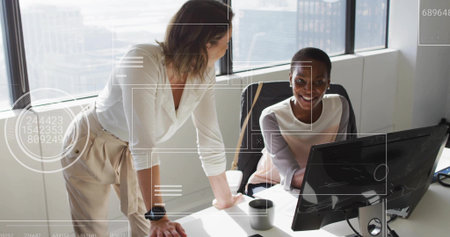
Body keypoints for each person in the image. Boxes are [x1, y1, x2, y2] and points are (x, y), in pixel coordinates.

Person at [61, 1, 241, 236]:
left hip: (133, 152)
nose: (227, 48)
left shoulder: (204, 73)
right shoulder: (142, 60)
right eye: (226, 42)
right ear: (205, 42)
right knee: (93, 232)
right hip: (91, 145)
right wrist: (159, 217)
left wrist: (225, 199)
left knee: (150, 231)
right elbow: (144, 144)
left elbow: (209, 137)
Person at [246, 47, 351, 196]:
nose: (309, 90)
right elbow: (291, 176)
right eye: (300, 81)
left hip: (315, 184)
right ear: (291, 80)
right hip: (270, 184)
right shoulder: (271, 117)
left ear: (328, 83)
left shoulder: (340, 105)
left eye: (319, 82)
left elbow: (336, 157)